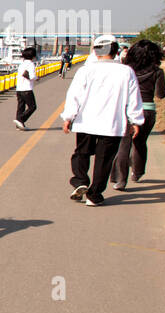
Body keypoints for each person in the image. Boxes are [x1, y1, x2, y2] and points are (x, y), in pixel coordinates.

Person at [60, 35, 144, 206]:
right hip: (112, 123)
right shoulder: (126, 72)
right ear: (116, 51)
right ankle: (94, 194)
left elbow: (74, 96)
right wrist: (135, 121)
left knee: (81, 153)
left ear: (96, 51)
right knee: (104, 160)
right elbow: (134, 98)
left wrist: (68, 117)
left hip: (86, 121)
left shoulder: (85, 70)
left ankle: (80, 180)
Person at [109, 40, 165, 190]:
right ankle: (137, 173)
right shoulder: (157, 72)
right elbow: (161, 94)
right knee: (140, 143)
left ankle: (120, 180)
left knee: (124, 145)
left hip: (127, 110)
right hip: (148, 111)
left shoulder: (126, 70)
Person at [13, 46, 38, 130]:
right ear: (33, 56)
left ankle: (19, 126)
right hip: (27, 89)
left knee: (20, 107)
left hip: (19, 89)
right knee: (33, 106)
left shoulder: (22, 64)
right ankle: (20, 120)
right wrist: (37, 78)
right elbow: (32, 76)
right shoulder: (31, 64)